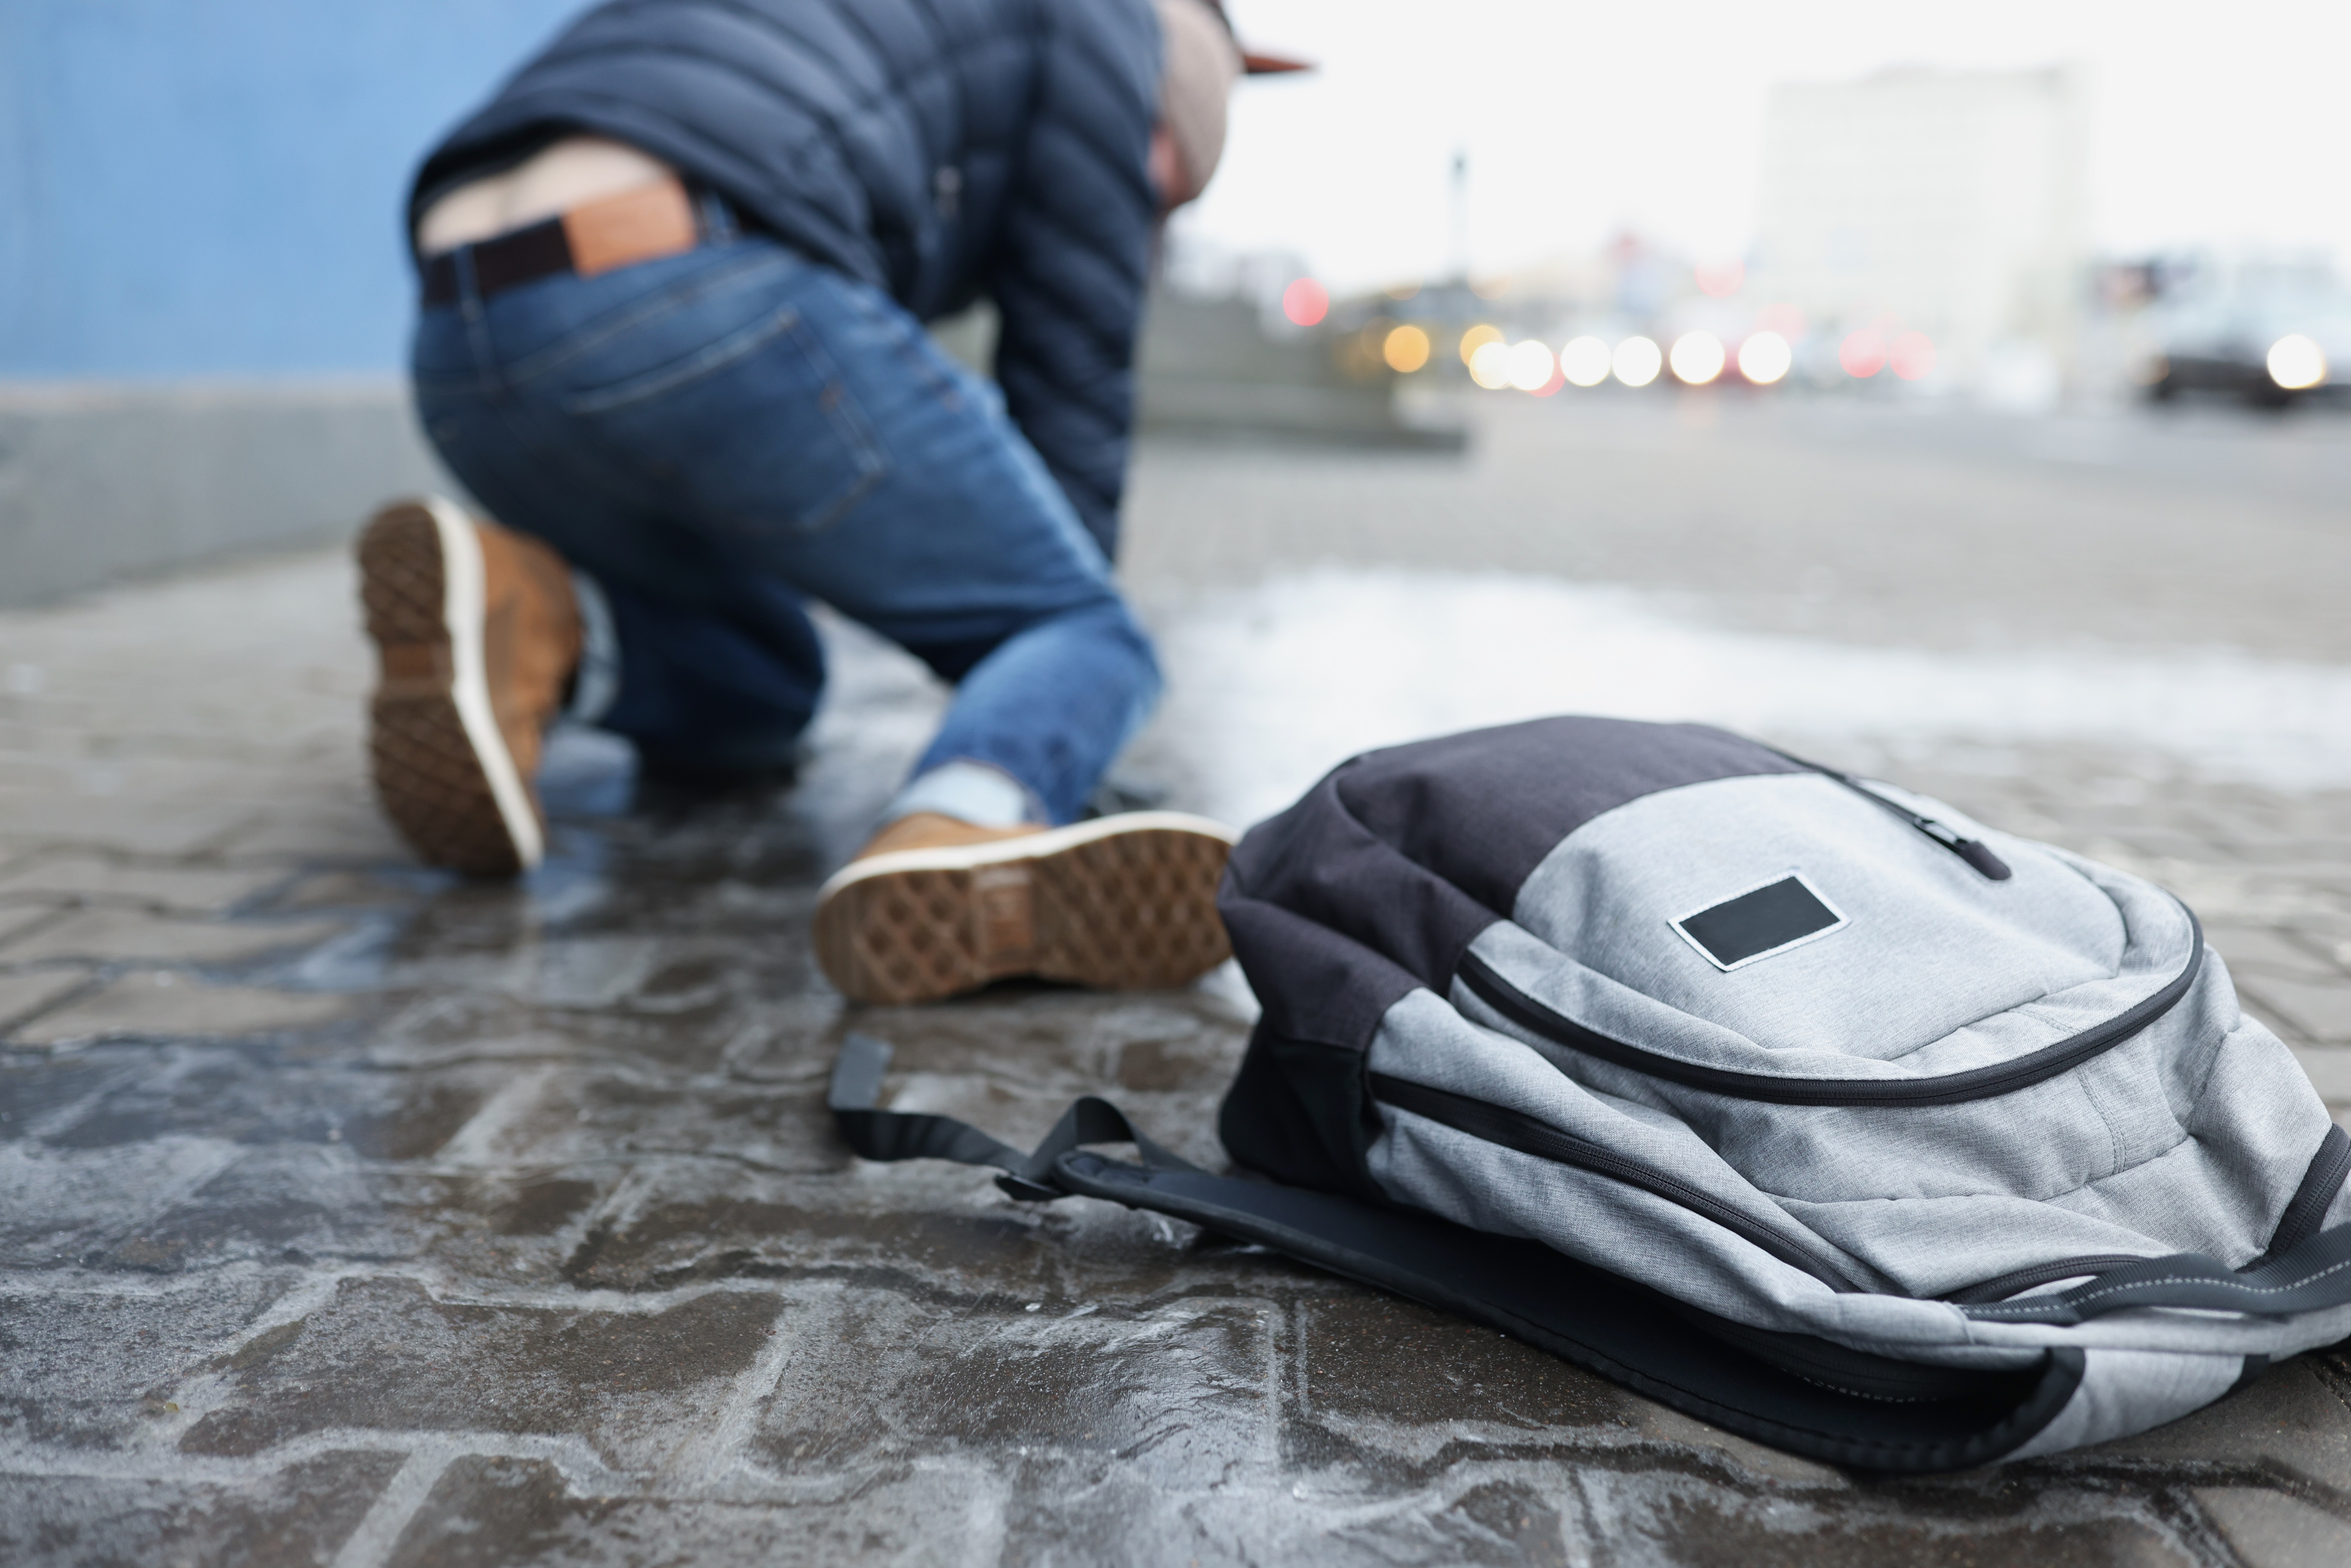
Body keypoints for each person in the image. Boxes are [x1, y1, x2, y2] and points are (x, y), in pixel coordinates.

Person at [358, 0, 1298, 1006]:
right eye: (1160, 187)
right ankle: (964, 823)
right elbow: (1072, 365)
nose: (1146, 211)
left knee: (758, 692)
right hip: (690, 281)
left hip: (460, 332)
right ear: (1175, 94)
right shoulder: (1117, 21)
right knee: (1089, 634)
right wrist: (1038, 685)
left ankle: (529, 617)